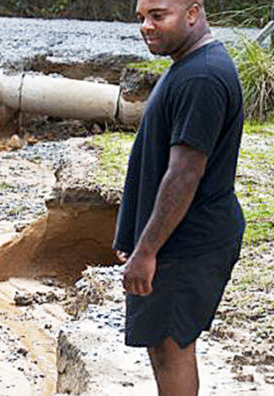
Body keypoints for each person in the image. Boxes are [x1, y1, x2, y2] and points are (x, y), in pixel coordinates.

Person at [113, 0, 246, 395]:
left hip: (186, 243)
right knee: (164, 343)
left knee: (171, 348)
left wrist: (147, 251)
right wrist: (133, 237)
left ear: (193, 13)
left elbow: (185, 173)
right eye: (141, 17)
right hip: (180, 238)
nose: (146, 27)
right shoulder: (191, 65)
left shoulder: (200, 78)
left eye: (158, 15)